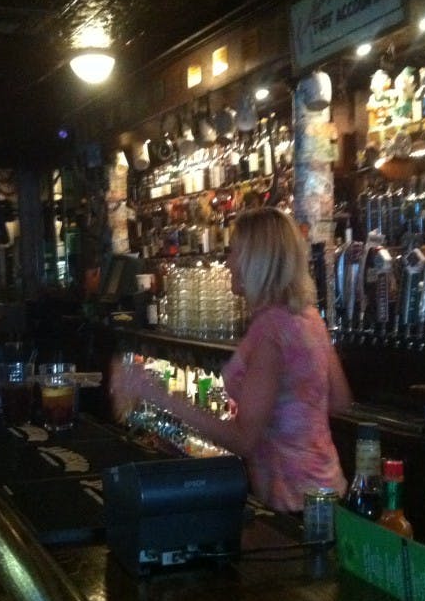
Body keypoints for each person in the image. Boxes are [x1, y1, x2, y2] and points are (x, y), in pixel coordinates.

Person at [110, 207, 351, 513]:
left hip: (293, 503)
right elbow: (339, 400)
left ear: (257, 260)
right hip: (327, 490)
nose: (228, 262)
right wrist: (293, 417)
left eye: (235, 252)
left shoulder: (270, 332)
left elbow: (243, 440)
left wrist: (157, 394)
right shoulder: (308, 316)